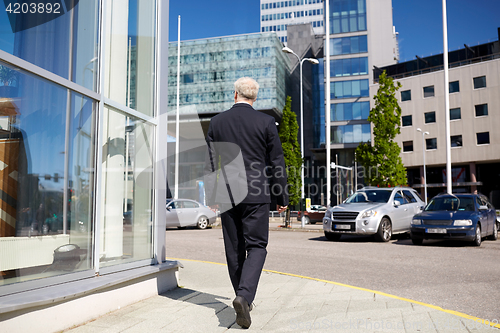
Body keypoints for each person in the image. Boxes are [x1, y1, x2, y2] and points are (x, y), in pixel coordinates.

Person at [204, 77, 288, 329]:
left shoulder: (217, 122)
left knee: (234, 248)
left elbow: (210, 162)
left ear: (235, 94)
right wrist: (281, 196)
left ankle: (243, 297)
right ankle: (244, 296)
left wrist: (213, 195)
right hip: (256, 192)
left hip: (228, 194)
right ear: (254, 98)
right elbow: (276, 161)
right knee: (258, 246)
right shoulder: (265, 122)